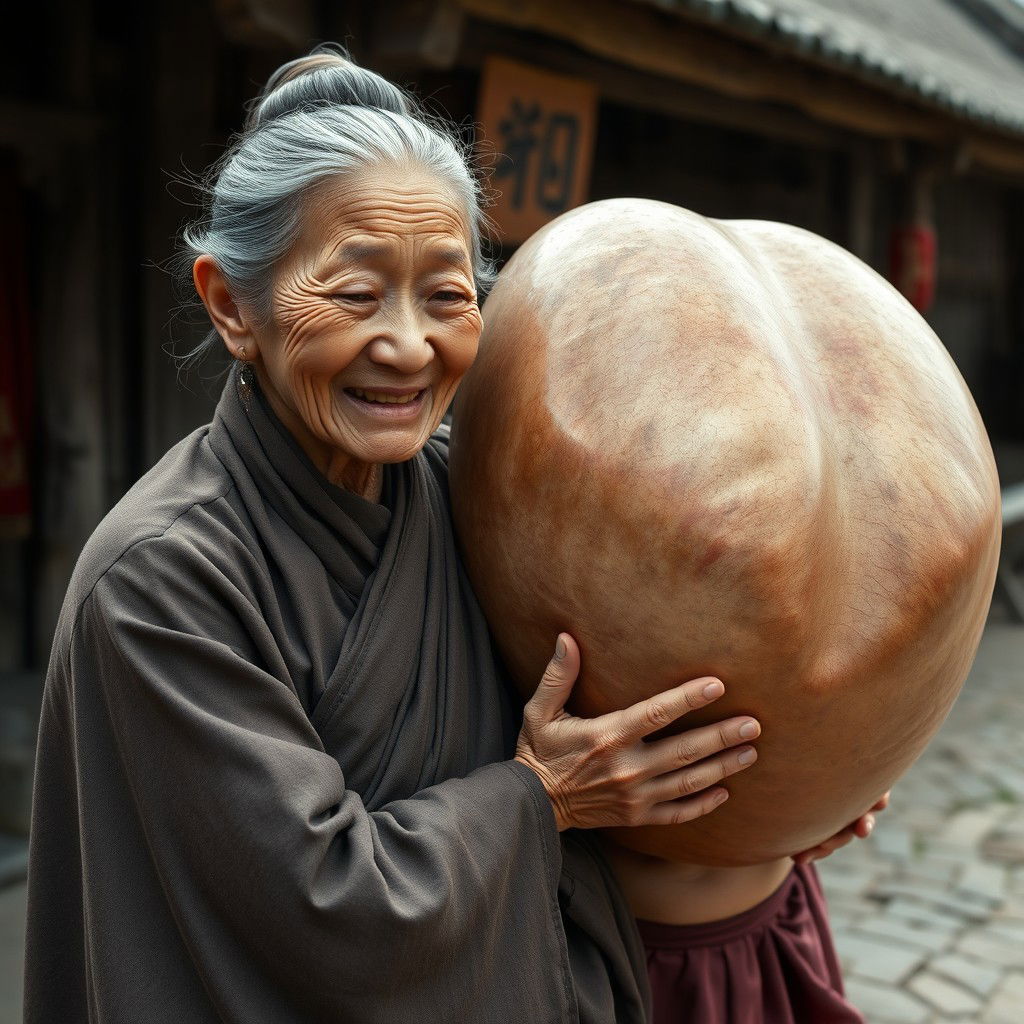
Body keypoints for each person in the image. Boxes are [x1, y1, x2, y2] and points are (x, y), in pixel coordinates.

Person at [22, 43, 765, 1024]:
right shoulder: (161, 580)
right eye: (355, 292)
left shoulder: (475, 492)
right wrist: (536, 797)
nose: (410, 345)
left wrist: (794, 776)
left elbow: (631, 704)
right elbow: (327, 911)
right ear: (230, 305)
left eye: (448, 295)